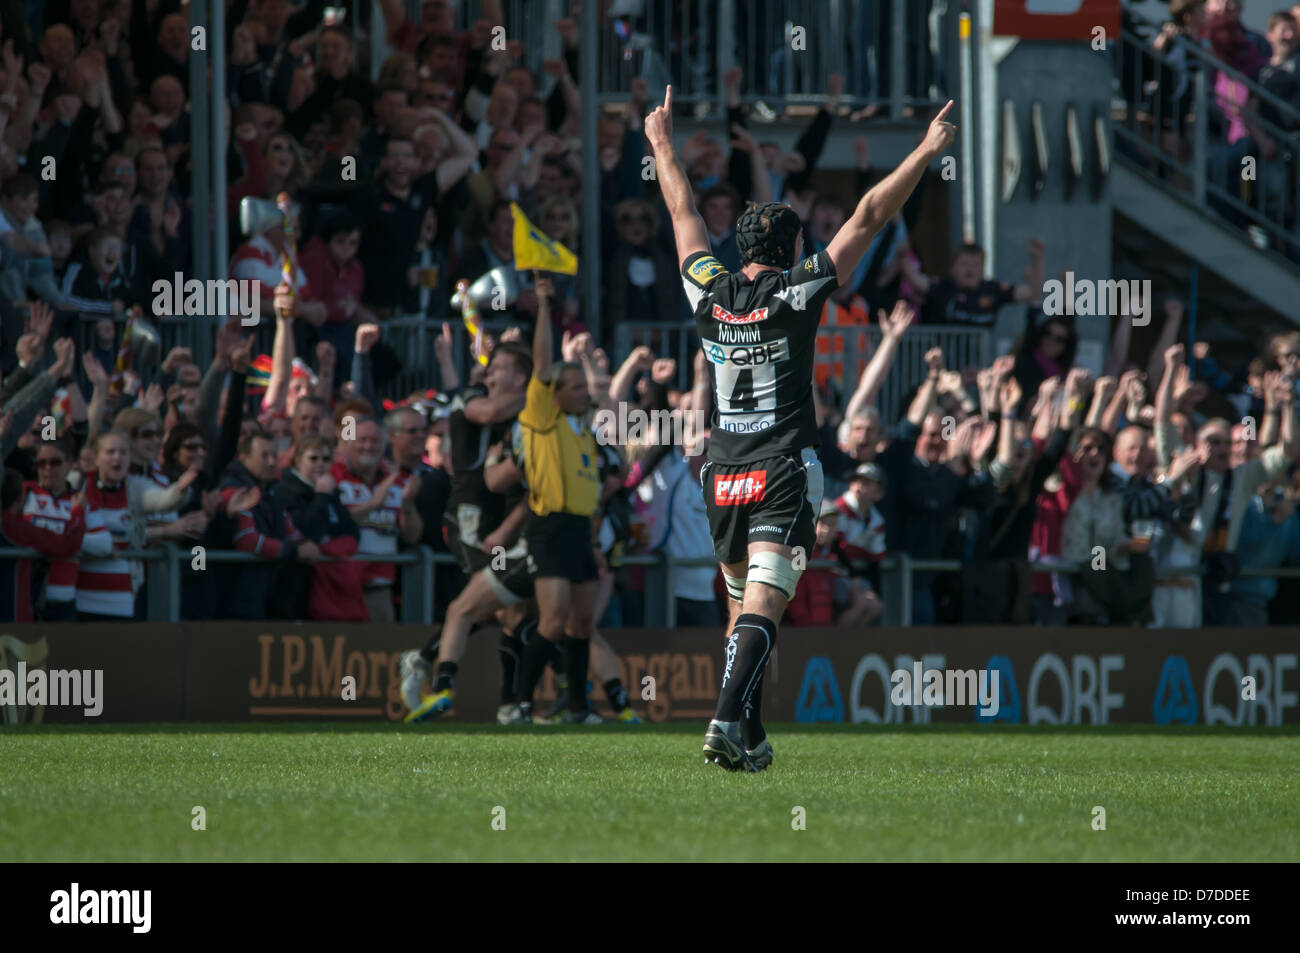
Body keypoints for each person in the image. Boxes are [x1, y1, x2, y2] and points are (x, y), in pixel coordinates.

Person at [645, 85, 956, 771]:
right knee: (765, 602)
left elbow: (682, 209)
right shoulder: (798, 289)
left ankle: (748, 732)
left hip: (721, 473)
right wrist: (925, 152)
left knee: (741, 607)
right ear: (788, 253)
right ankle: (726, 719)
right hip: (782, 466)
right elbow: (871, 214)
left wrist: (662, 144)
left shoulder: (707, 287)